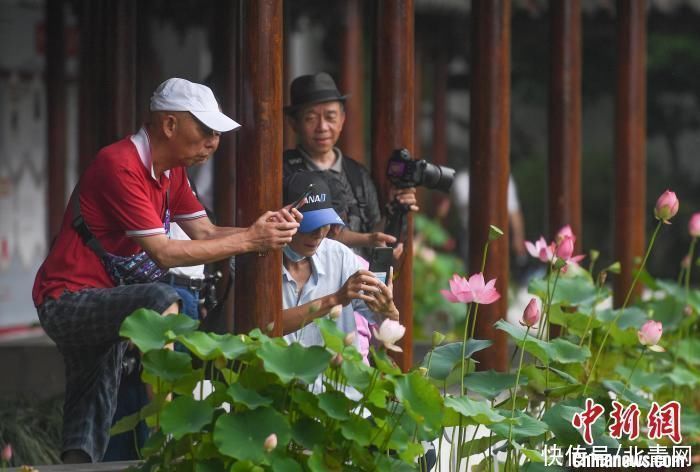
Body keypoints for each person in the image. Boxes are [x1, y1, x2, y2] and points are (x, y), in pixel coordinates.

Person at [32, 77, 301, 464]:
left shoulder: (172, 173)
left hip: (105, 298)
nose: (214, 142)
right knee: (165, 299)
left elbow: (205, 232)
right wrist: (252, 241)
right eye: (206, 130)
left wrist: (262, 229)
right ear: (170, 125)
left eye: (217, 132)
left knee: (90, 408)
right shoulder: (120, 164)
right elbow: (166, 253)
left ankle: (82, 461)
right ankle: (170, 435)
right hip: (67, 300)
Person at [282, 72, 418, 256]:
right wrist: (368, 240)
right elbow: (318, 235)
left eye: (330, 117)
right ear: (293, 123)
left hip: (359, 278)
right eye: (311, 118)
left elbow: (373, 230)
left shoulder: (357, 173)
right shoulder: (284, 172)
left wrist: (394, 209)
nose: (322, 127)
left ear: (342, 120)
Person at [280, 171, 398, 347]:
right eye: (309, 224)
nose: (319, 234)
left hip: (334, 374)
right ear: (284, 219)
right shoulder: (257, 260)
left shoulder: (341, 256)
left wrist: (389, 310)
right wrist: (335, 299)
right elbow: (265, 324)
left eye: (324, 223)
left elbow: (386, 326)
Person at [451, 169, 527, 267]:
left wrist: (518, 238)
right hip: (470, 235)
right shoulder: (462, 180)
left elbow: (513, 210)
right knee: (472, 269)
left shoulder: (504, 177)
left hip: (500, 235)